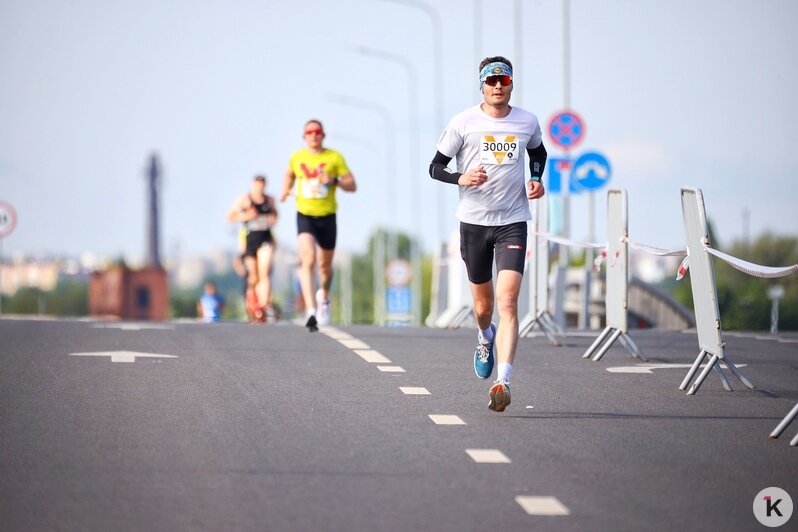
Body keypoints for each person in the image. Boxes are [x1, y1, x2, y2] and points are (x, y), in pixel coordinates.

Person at [428, 56, 547, 412]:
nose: (498, 86)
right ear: (482, 85)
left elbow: (538, 151)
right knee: (484, 307)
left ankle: (503, 380)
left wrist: (536, 178)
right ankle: (484, 336)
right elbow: (435, 167)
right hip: (474, 223)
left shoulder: (527, 120)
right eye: (492, 81)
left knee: (508, 303)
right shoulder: (464, 122)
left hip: (513, 221)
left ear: (512, 84)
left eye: (504, 80)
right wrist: (460, 178)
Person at [280, 119, 357, 331]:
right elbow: (289, 174)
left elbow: (352, 185)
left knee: (324, 266)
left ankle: (323, 295)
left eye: (317, 132)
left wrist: (334, 181)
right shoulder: (297, 157)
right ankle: (310, 310)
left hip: (327, 216)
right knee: (308, 259)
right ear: (304, 137)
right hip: (305, 214)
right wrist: (285, 190)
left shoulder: (334, 157)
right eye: (309, 132)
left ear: (323, 135)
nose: (313, 135)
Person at [227, 175, 278, 323]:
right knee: (254, 276)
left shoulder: (269, 200)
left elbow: (275, 213)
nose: (259, 188)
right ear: (252, 185)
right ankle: (251, 303)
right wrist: (246, 215)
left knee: (265, 272)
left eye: (262, 185)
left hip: (265, 240)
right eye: (257, 185)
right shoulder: (245, 200)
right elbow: (230, 216)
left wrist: (273, 220)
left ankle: (263, 306)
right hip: (250, 242)